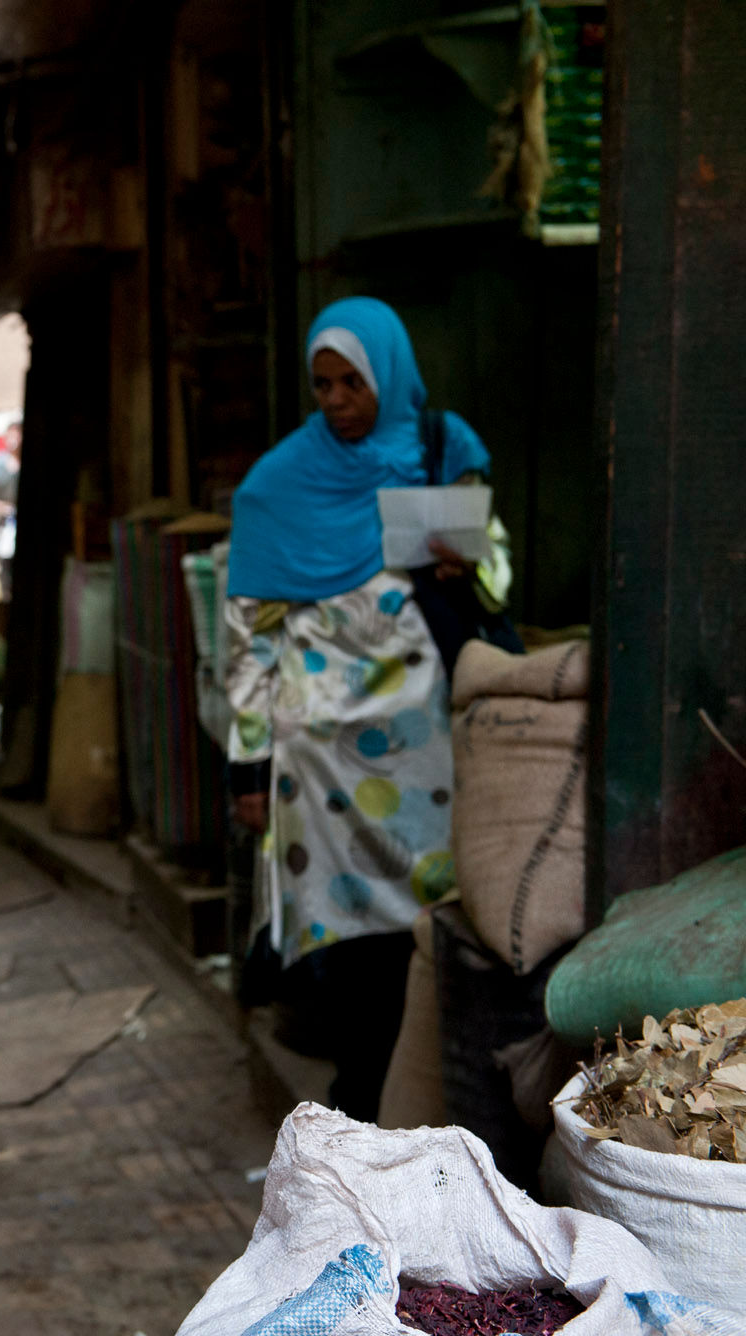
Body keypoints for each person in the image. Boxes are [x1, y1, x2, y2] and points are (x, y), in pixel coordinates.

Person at [223, 297, 505, 1120]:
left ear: (390, 373)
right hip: (322, 760)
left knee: (439, 908)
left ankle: (434, 1091)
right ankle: (362, 1099)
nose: (338, 400)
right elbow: (250, 644)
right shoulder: (276, 488)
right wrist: (247, 765)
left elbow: (501, 580)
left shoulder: (445, 450)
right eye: (323, 385)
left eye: (354, 382)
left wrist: (471, 573)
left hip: (431, 747)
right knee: (346, 936)